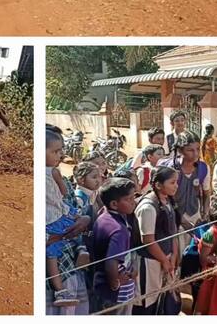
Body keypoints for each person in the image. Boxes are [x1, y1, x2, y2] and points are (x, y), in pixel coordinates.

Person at [46, 127, 91, 307]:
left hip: (68, 259)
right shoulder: (53, 174)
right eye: (56, 151)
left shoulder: (57, 175)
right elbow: (65, 197)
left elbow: (69, 200)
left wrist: (85, 219)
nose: (60, 155)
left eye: (60, 150)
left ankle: (61, 291)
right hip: (58, 229)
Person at [132, 166, 181, 315]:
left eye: (176, 182)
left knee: (162, 299)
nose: (176, 186)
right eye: (172, 183)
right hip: (149, 263)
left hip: (165, 259)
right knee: (147, 302)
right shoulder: (148, 207)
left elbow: (172, 233)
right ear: (159, 185)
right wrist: (164, 261)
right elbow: (148, 240)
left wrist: (173, 257)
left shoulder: (168, 202)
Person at [91, 177, 138, 315]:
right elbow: (111, 262)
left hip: (101, 286)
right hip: (117, 294)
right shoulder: (118, 229)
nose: (133, 202)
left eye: (133, 197)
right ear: (114, 204)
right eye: (128, 199)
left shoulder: (104, 215)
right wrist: (115, 283)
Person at [159, 132, 211, 254]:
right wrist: (182, 221)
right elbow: (165, 199)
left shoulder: (203, 168)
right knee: (176, 255)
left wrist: (204, 214)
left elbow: (206, 193)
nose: (196, 154)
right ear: (180, 150)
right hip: (172, 217)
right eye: (190, 150)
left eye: (198, 149)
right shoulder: (170, 169)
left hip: (195, 216)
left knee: (194, 254)